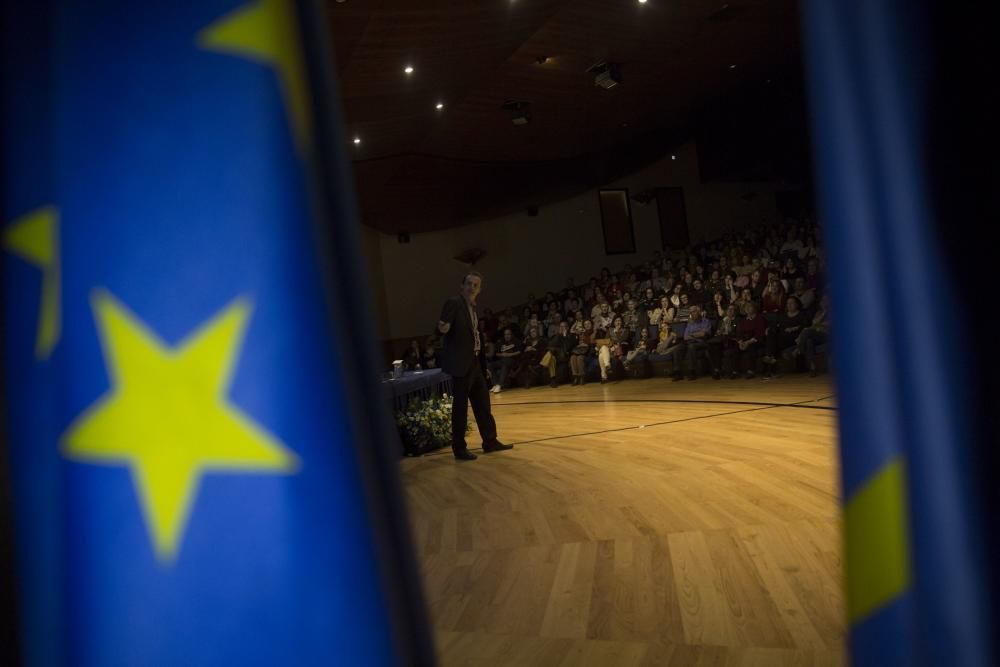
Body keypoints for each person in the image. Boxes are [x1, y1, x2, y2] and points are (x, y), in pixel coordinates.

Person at [438, 272, 512, 461]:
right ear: (461, 286)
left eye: (476, 285)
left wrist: (482, 365)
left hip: (475, 364)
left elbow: (475, 338)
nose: (472, 287)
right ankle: (459, 448)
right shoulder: (454, 303)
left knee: (483, 405)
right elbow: (442, 326)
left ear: (480, 289)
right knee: (460, 409)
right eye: (469, 283)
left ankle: (490, 441)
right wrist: (442, 327)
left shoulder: (472, 308)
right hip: (462, 366)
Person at [489, 328, 521, 393]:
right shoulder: (501, 342)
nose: (507, 335)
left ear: (511, 335)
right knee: (490, 365)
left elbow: (519, 352)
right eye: (505, 334)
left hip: (512, 360)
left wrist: (510, 354)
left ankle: (499, 385)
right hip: (502, 360)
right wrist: (502, 355)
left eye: (508, 334)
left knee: (505, 363)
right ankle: (495, 384)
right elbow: (496, 353)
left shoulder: (515, 341)